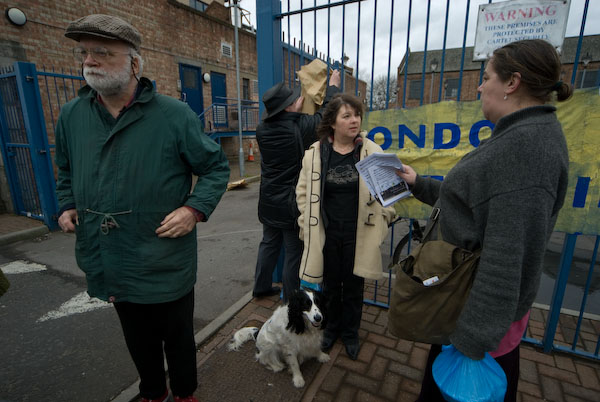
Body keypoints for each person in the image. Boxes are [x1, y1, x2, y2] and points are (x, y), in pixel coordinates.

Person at [55, 14, 230, 402]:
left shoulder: (174, 115)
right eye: (85, 52)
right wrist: (67, 203)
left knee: (178, 337)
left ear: (135, 62)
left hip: (163, 254)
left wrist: (193, 210)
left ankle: (185, 394)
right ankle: (152, 392)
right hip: (109, 254)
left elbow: (216, 168)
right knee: (137, 337)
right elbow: (65, 167)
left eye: (102, 51)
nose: (90, 60)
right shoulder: (72, 115)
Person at [395, 39, 572, 401]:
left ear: (512, 83)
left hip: (476, 323)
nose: (479, 86)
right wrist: (420, 184)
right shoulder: (522, 135)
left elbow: (508, 257)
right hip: (466, 309)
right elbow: (479, 203)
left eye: (486, 76)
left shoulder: (525, 150)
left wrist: (471, 341)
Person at [296, 93, 396, 360]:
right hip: (326, 233)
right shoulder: (315, 153)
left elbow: (390, 193)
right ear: (332, 122)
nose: (355, 121)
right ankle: (330, 330)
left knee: (353, 287)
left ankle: (351, 333)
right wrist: (306, 221)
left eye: (357, 115)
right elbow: (303, 192)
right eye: (347, 116)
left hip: (359, 233)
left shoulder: (371, 150)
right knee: (329, 285)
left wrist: (384, 219)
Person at [252, 70, 341, 302]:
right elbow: (325, 115)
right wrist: (332, 87)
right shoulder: (299, 126)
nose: (298, 101)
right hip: (290, 204)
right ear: (288, 108)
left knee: (269, 244)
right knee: (294, 252)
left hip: (269, 200)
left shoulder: (262, 129)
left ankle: (260, 287)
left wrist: (293, 110)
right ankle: (290, 299)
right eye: (293, 101)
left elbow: (285, 122)